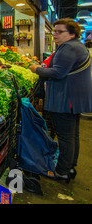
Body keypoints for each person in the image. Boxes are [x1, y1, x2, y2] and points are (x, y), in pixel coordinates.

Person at [29, 18, 92, 183]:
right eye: (54, 31)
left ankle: (62, 171)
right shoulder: (77, 46)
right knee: (72, 135)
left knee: (65, 137)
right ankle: (69, 167)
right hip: (74, 98)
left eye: (59, 31)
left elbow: (58, 73)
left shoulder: (68, 48)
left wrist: (37, 69)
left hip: (66, 98)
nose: (55, 34)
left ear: (71, 33)